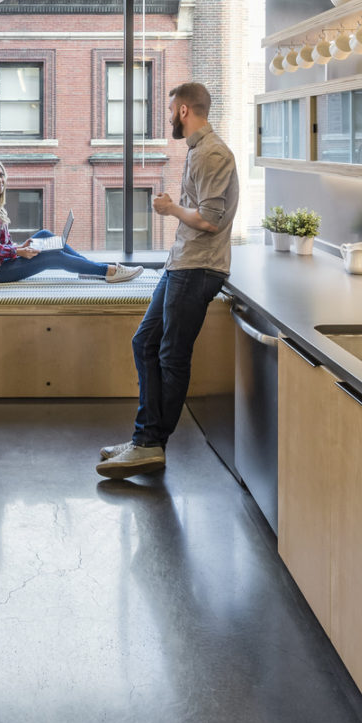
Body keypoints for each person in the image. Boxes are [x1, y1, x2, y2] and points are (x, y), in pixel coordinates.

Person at [97, 81, 236, 479]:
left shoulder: (212, 154)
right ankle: (145, 440)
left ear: (184, 111)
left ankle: (150, 444)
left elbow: (209, 220)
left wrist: (171, 208)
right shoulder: (198, 153)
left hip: (198, 268)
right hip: (182, 264)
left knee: (171, 356)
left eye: (170, 109)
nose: (168, 117)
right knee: (145, 341)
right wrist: (175, 209)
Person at [0, 158, 144, 284]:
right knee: (54, 256)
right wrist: (18, 251)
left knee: (45, 235)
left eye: (1, 175)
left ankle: (88, 269)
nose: (0, 180)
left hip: (2, 263)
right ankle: (109, 271)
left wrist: (20, 247)